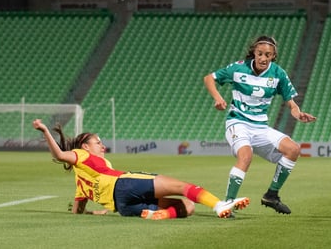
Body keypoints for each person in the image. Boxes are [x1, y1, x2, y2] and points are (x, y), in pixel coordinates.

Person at [32, 119, 249, 220]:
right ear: (85, 146)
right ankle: (219, 205)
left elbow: (77, 210)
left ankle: (161, 215)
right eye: (98, 142)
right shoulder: (82, 155)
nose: (102, 145)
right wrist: (44, 130)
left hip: (124, 207)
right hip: (124, 184)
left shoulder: (81, 183)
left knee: (188, 206)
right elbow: (60, 155)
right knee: (184, 186)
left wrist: (93, 211)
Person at [203, 35, 316, 214]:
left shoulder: (278, 73)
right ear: (254, 53)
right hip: (238, 122)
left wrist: (298, 113)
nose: (263, 58)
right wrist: (218, 97)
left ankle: (271, 195)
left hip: (260, 127)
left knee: (293, 149)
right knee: (246, 156)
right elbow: (209, 78)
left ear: (273, 56)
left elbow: (291, 102)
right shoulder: (239, 68)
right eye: (260, 53)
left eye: (268, 55)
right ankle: (228, 204)